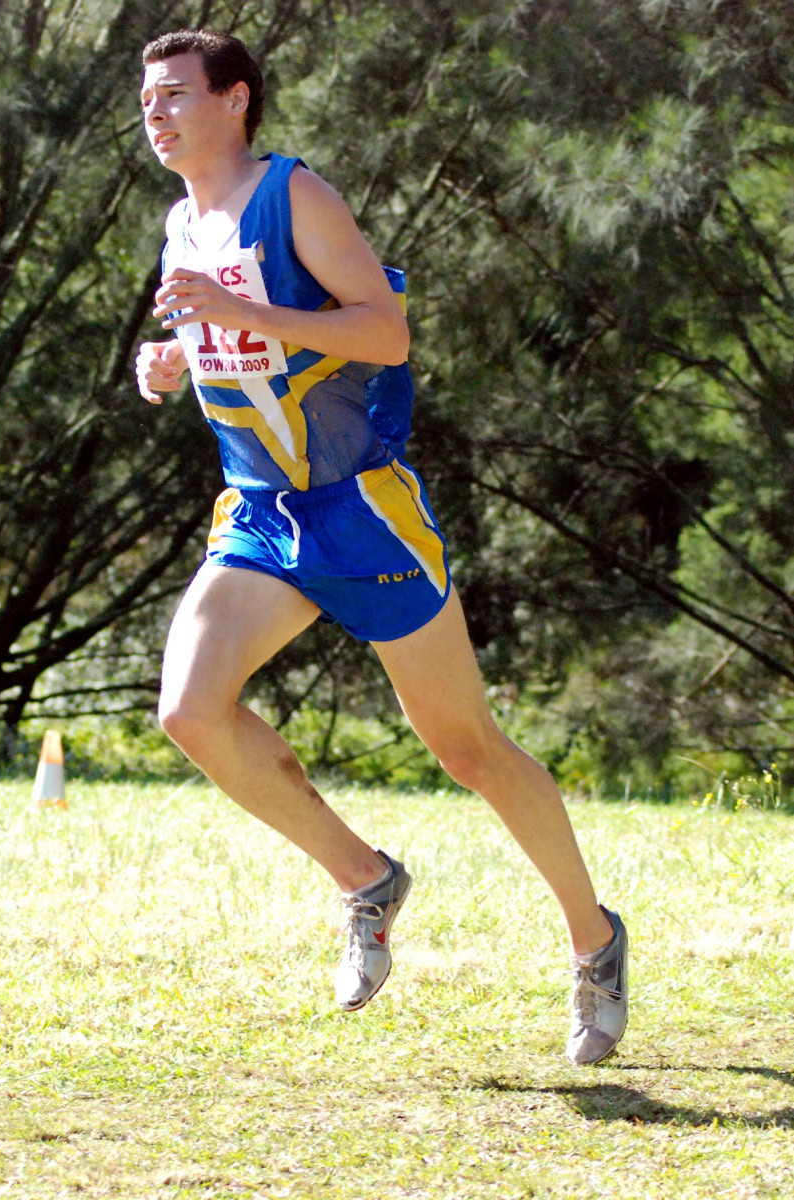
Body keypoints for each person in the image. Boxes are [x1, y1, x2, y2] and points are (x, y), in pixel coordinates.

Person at [135, 28, 628, 1065]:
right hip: (262, 510)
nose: (156, 111)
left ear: (235, 101)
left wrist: (234, 308)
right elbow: (232, 344)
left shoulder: (294, 197)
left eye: (176, 92)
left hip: (361, 510)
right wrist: (170, 361)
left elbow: (383, 333)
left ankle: (593, 942)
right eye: (147, 97)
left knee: (465, 748)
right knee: (187, 708)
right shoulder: (182, 221)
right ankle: (365, 879)